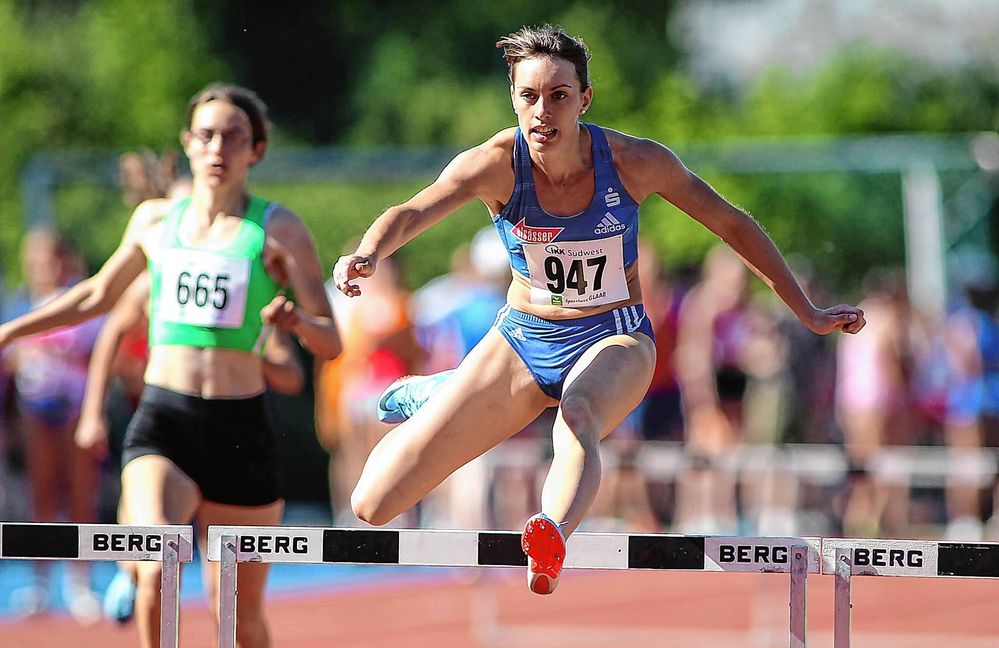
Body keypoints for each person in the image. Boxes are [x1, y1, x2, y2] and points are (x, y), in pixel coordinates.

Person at [332, 24, 864, 596]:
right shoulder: (492, 164)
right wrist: (366, 251)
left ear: (584, 99)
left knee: (579, 414)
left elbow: (732, 223)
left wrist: (805, 310)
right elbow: (411, 212)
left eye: (559, 95)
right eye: (529, 96)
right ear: (513, 98)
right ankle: (440, 391)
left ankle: (551, 535)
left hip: (614, 338)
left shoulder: (635, 162)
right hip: (521, 340)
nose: (543, 111)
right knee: (372, 503)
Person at [0, 84, 341, 648]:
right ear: (187, 144)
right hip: (166, 421)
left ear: (255, 151)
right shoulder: (155, 222)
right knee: (156, 564)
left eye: (233, 138)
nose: (217, 149)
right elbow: (96, 297)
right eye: (205, 135)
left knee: (241, 617)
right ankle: (133, 577)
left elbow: (331, 342)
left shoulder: (279, 230)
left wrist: (295, 323)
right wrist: (13, 328)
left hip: (240, 430)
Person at [1, 228, 103, 622]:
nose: (40, 265)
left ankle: (80, 585)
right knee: (41, 495)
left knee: (80, 495)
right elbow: (9, 358)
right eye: (33, 258)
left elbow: (97, 353)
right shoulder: (20, 304)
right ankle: (40, 584)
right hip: (35, 408)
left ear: (62, 258)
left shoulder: (82, 300)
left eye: (47, 256)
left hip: (75, 410)